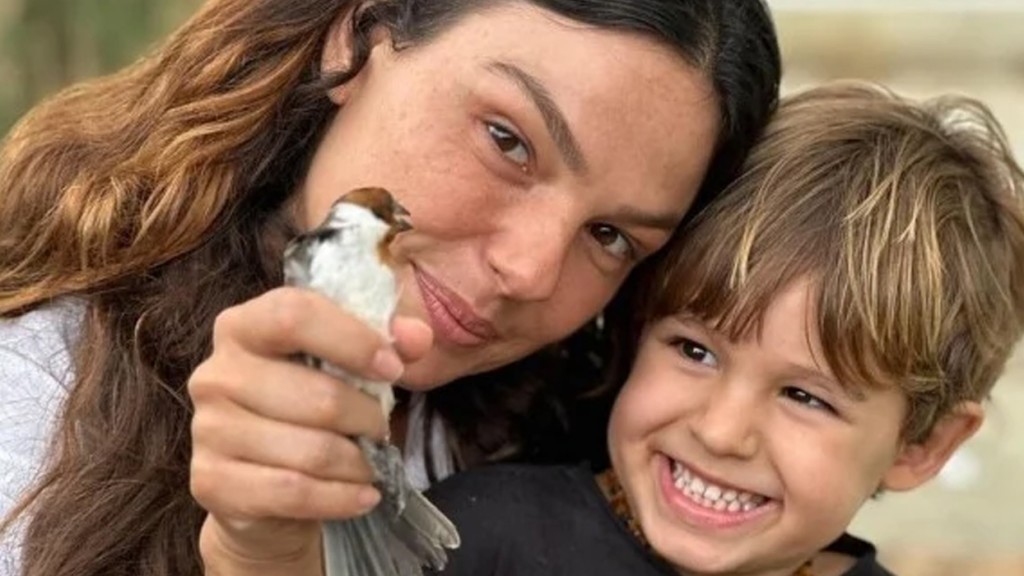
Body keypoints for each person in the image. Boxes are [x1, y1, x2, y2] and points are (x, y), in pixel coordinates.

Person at [0, 0, 781, 575]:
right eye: (508, 140)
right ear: (359, 33)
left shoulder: (599, 448)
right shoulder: (35, 404)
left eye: (610, 237)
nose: (532, 270)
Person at [423, 82, 1024, 576]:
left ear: (923, 445)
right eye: (695, 351)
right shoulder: (474, 538)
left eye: (805, 396)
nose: (720, 432)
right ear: (636, 329)